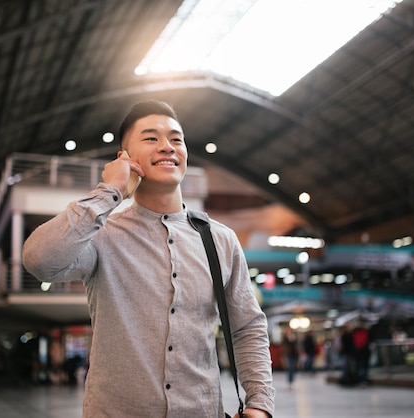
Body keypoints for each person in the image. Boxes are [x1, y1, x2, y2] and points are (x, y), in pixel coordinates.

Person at [23, 99, 275, 417]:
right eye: (151, 138)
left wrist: (260, 405)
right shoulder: (101, 234)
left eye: (176, 139)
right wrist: (108, 192)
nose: (167, 147)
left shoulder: (219, 239)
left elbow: (247, 327)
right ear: (124, 158)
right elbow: (39, 260)